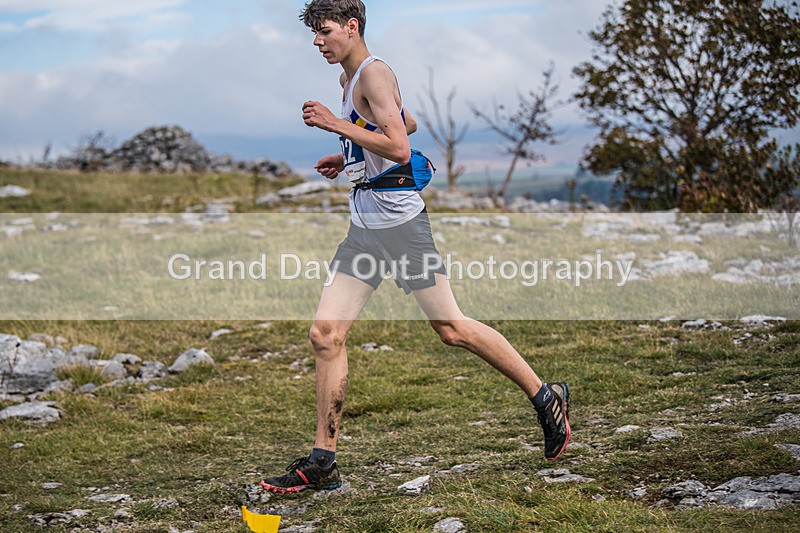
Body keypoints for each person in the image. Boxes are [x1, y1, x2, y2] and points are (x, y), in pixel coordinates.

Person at [261, 0, 570, 495]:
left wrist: (335, 125)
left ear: (351, 26)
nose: (317, 42)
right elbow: (406, 124)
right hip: (365, 228)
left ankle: (544, 395)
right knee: (325, 335)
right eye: (314, 34)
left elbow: (401, 147)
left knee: (451, 328)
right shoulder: (349, 80)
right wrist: (349, 155)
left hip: (402, 228)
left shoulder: (373, 74)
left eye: (324, 32)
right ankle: (324, 462)